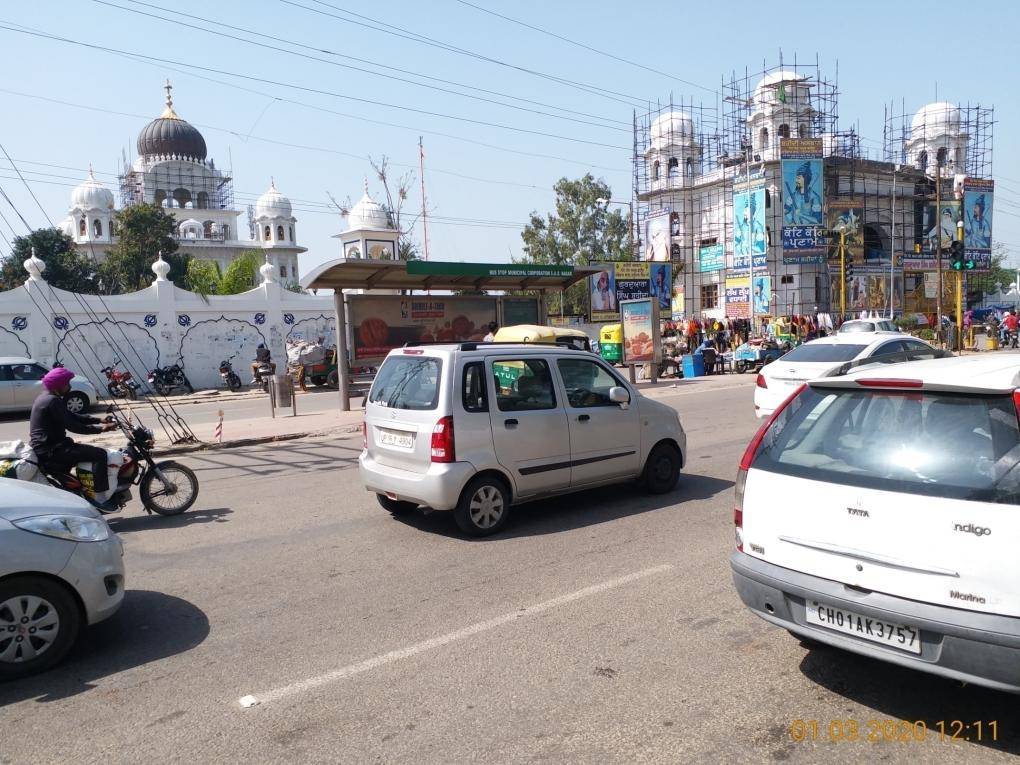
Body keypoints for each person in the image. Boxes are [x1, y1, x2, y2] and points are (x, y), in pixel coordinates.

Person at [30, 368, 117, 505]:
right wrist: (101, 430)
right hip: (53, 450)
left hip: (47, 448)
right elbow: (73, 426)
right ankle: (100, 498)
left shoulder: (45, 398)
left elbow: (71, 416)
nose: (70, 387)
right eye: (67, 383)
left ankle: (82, 492)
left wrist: (99, 420)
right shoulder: (52, 401)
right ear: (59, 384)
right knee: (100, 454)